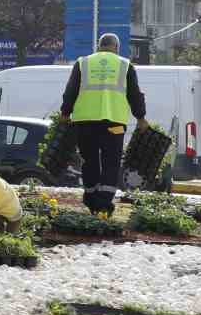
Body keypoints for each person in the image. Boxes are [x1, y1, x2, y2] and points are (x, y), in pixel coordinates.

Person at [60, 32, 147, 216]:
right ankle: (104, 203)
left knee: (88, 161)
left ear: (99, 46)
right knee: (111, 163)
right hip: (113, 124)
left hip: (85, 123)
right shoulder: (125, 65)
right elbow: (135, 94)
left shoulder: (83, 63)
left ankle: (91, 199)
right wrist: (140, 118)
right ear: (116, 47)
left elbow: (70, 91)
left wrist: (65, 113)